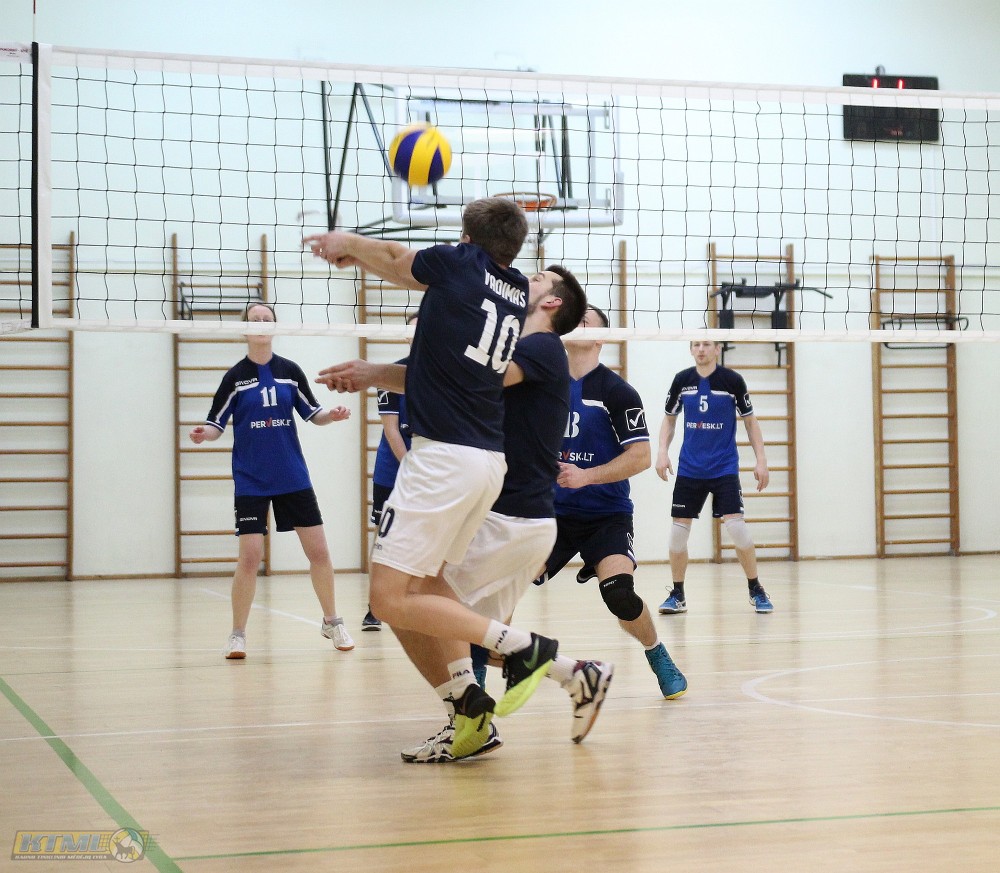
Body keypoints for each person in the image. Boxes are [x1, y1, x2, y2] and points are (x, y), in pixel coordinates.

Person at [305, 198, 572, 759]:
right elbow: (428, 334)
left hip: (444, 460)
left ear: (466, 238)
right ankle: (468, 708)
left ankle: (528, 650)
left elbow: (400, 259)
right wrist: (375, 368)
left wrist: (346, 242)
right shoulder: (510, 290)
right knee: (424, 590)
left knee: (388, 599)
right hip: (483, 463)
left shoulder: (462, 266)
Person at [345, 267, 613, 763]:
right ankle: (571, 676)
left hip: (509, 518)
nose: (523, 276)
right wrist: (374, 374)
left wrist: (443, 318)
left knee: (402, 600)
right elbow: (448, 381)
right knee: (458, 628)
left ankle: (476, 708)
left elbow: (463, 379)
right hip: (512, 518)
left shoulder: (541, 346)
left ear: (552, 302)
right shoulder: (514, 346)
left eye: (536, 277)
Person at [533, 304, 688, 700]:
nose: (575, 324)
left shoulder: (617, 392)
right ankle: (478, 677)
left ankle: (657, 654)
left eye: (584, 321)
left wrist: (585, 475)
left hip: (606, 515)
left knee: (619, 594)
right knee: (503, 584)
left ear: (600, 338)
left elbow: (641, 456)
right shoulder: (544, 385)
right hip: (552, 515)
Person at [189, 302, 355, 659]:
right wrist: (205, 433)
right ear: (245, 329)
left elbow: (313, 413)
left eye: (267, 320)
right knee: (250, 558)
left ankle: (332, 621)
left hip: (292, 475)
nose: (262, 324)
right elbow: (216, 424)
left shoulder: (289, 372)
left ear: (274, 327)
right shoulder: (235, 377)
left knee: (319, 552)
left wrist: (333, 414)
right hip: (251, 479)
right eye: (255, 320)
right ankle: (237, 634)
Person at [654, 339, 773, 614]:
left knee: (737, 529)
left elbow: (750, 421)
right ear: (690, 349)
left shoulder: (732, 381)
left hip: (724, 468)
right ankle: (678, 594)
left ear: (717, 349)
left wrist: (762, 460)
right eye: (696, 345)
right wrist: (662, 451)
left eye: (707, 344)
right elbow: (669, 419)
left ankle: (755, 588)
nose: (701, 349)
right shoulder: (682, 381)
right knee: (677, 535)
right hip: (690, 469)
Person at [363, 313, 418, 632]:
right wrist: (412, 466)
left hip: (432, 469)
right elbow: (391, 430)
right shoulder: (391, 374)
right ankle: (374, 607)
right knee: (383, 537)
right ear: (405, 336)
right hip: (394, 469)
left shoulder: (446, 372)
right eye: (413, 329)